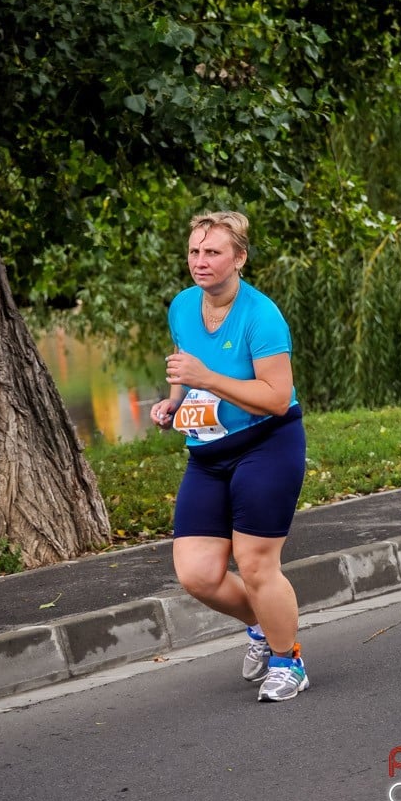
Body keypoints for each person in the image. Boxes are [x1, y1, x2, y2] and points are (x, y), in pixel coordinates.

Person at [149, 210, 309, 702]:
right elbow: (184, 364)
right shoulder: (182, 305)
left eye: (213, 252)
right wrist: (174, 400)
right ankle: (266, 626)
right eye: (195, 251)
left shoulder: (261, 316)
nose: (201, 261)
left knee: (257, 564)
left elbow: (276, 397)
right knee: (197, 575)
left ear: (238, 258)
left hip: (268, 444)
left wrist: (207, 379)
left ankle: (290, 660)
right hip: (208, 454)